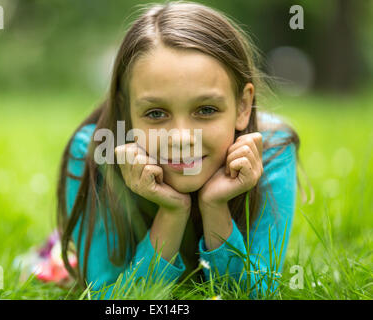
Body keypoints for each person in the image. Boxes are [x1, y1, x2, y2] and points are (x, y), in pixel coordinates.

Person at [23, 1, 304, 299]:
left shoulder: (272, 149)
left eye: (206, 110)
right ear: (125, 109)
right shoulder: (93, 153)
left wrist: (215, 207)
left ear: (243, 106)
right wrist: (171, 214)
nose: (181, 138)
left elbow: (253, 295)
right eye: (156, 113)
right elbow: (109, 299)